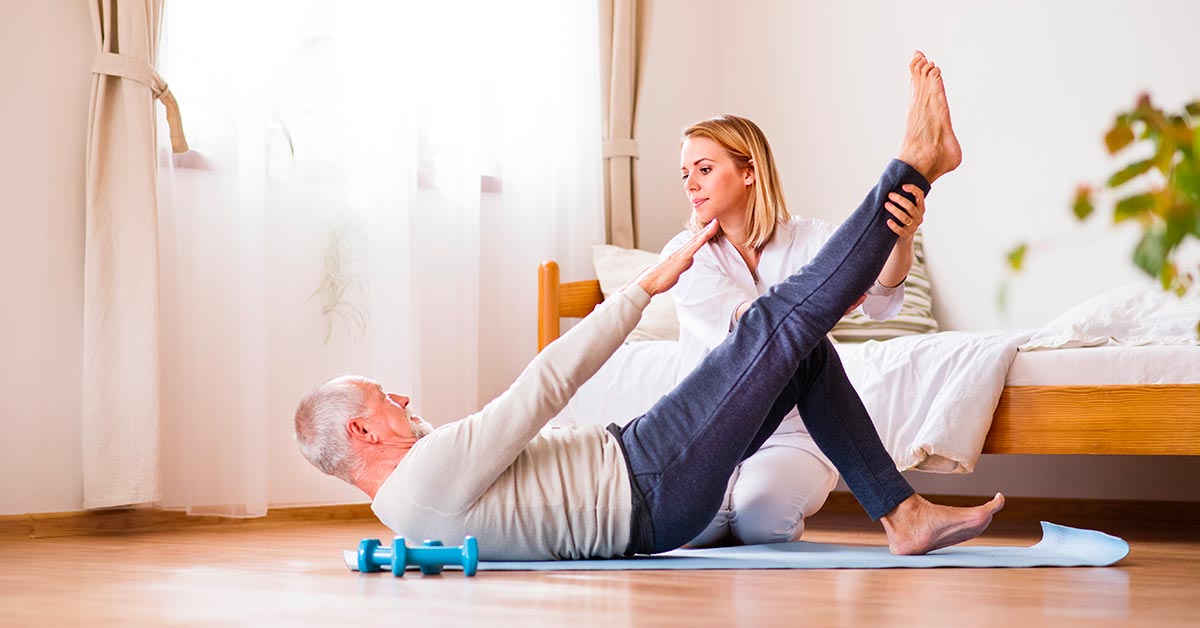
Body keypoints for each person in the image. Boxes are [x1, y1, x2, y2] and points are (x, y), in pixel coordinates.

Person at [293, 52, 1004, 561]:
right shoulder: (429, 471)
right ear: (361, 431)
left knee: (804, 354)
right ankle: (911, 168)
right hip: (648, 483)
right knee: (772, 328)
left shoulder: (407, 508)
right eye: (384, 397)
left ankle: (903, 515)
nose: (403, 396)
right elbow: (547, 384)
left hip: (641, 463)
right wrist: (642, 289)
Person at [662, 80, 931, 546]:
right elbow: (757, 328)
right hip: (713, 432)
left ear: (749, 171)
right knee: (692, 531)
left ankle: (915, 162)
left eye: (704, 169)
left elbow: (881, 301)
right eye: (685, 173)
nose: (691, 183)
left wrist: (901, 239)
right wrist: (823, 295)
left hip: (792, 434)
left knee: (760, 522)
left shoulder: (810, 239)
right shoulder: (686, 255)